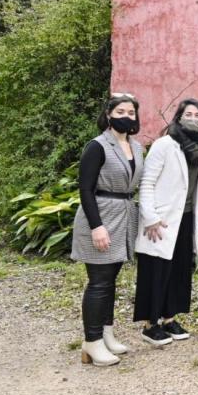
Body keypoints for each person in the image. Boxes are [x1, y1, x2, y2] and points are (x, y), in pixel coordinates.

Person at [71, 93, 144, 366]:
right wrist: (96, 226)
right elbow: (85, 189)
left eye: (131, 113)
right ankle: (91, 342)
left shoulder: (136, 147)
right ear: (109, 114)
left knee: (110, 279)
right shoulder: (97, 146)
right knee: (99, 281)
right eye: (121, 112)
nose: (126, 116)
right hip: (101, 215)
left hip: (124, 214)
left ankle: (106, 333)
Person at [133, 99, 198, 345]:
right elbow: (146, 182)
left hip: (186, 217)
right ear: (178, 117)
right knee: (155, 270)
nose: (194, 119)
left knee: (178, 270)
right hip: (161, 220)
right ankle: (149, 324)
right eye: (188, 114)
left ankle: (169, 318)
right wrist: (150, 217)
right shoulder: (164, 145)